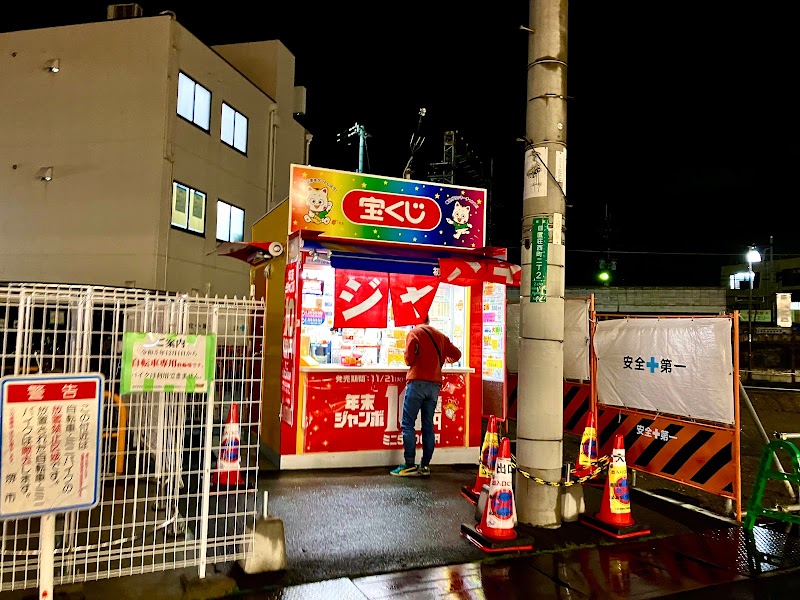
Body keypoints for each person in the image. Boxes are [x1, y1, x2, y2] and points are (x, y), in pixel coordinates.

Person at [390, 314, 462, 477]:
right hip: (434, 386)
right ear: (428, 319)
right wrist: (441, 360)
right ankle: (425, 466)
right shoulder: (441, 336)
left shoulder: (414, 333)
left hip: (417, 384)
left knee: (408, 423)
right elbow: (457, 355)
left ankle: (409, 464)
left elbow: (409, 360)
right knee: (428, 425)